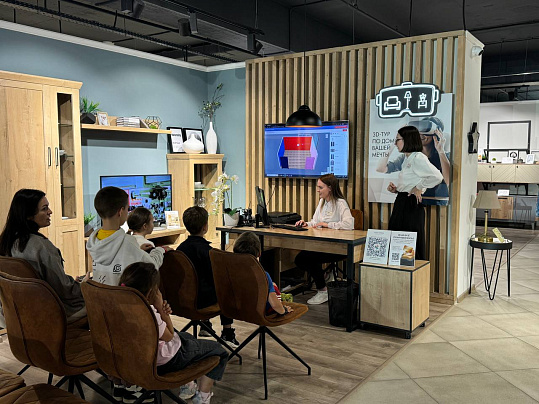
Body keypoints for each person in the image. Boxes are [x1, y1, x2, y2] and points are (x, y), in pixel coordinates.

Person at [119, 262, 228, 404]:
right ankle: (202, 398)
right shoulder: (148, 314)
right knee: (219, 351)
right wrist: (162, 310)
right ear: (151, 291)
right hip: (165, 361)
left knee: (187, 337)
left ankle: (188, 386)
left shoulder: (120, 306)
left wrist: (161, 312)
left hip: (138, 359)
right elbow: (169, 336)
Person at [0, 189, 87, 323]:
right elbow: (65, 290)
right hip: (48, 314)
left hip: (13, 315)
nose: (50, 212)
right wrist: (84, 285)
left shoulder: (5, 243)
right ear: (29, 215)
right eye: (44, 208)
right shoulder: (41, 246)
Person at [176, 206, 239, 348]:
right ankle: (227, 332)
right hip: (203, 302)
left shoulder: (179, 250)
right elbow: (217, 279)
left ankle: (205, 325)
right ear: (205, 226)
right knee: (225, 287)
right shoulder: (209, 252)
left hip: (182, 300)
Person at [86, 186, 169, 286]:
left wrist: (138, 251)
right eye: (127, 208)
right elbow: (152, 266)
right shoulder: (128, 242)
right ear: (121, 211)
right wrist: (160, 250)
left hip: (100, 294)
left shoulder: (94, 241)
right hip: (121, 295)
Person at [294, 173, 354, 305]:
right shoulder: (322, 202)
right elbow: (315, 222)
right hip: (322, 245)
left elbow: (349, 224)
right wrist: (306, 224)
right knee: (300, 259)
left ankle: (323, 290)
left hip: (337, 248)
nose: (318, 190)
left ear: (330, 188)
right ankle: (324, 277)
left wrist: (328, 225)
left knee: (310, 258)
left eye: (321, 187)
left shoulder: (340, 203)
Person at [386, 126, 443, 260]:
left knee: (408, 242)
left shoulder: (418, 157)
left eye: (398, 140)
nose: (395, 143)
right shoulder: (407, 158)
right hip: (402, 201)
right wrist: (397, 189)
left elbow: (437, 177)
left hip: (410, 205)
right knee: (398, 240)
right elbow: (410, 182)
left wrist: (419, 187)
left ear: (407, 140)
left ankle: (411, 271)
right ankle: (401, 270)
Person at [377, 117, 450, 206]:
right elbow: (381, 168)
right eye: (419, 131)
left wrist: (441, 151)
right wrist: (392, 144)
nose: (422, 135)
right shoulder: (408, 156)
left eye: (426, 131)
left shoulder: (444, 157)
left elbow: (447, 180)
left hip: (437, 203)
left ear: (437, 134)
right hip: (413, 201)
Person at [233, 232, 293, 316]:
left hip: (237, 309)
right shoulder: (263, 275)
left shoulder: (231, 272)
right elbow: (274, 305)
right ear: (259, 254)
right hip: (259, 311)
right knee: (273, 287)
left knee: (272, 285)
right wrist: (284, 311)